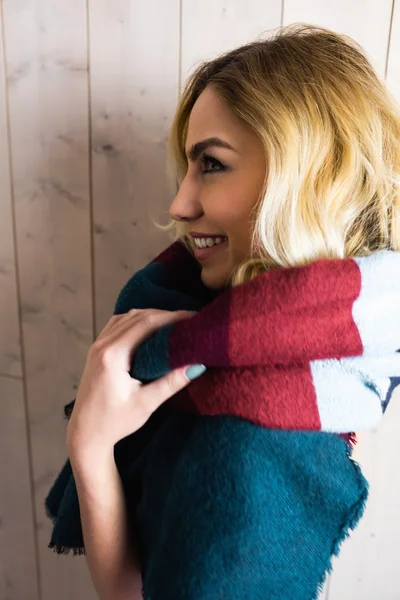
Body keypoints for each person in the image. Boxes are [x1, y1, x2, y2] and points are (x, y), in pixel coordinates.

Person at [66, 23, 400, 599]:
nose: (178, 204)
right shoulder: (348, 341)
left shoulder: (249, 445)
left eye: (211, 164)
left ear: (305, 177)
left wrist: (91, 447)